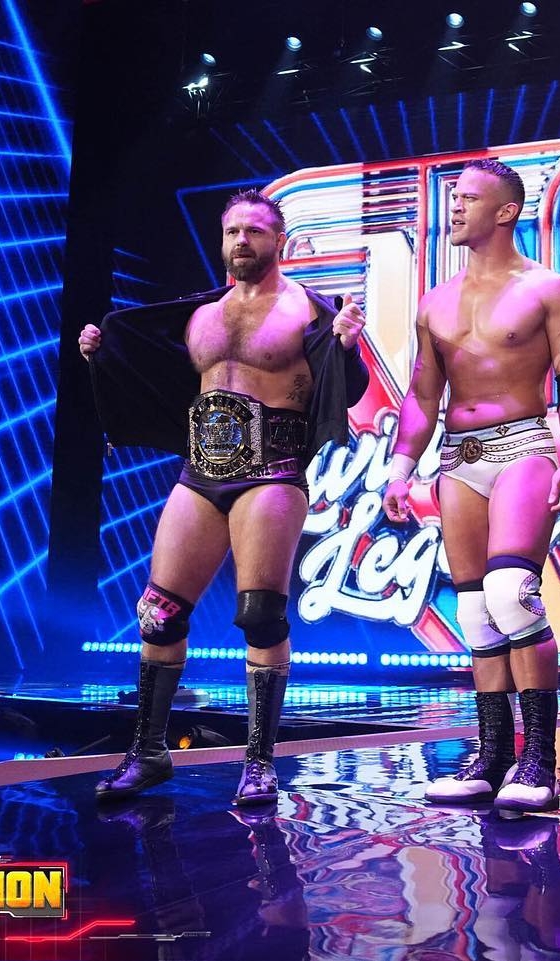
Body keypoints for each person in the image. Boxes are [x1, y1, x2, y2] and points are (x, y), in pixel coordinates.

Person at [79, 188, 367, 807]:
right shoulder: (200, 315)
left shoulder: (309, 311)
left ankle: (258, 762)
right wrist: (105, 354)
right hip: (200, 472)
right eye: (233, 231)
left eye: (255, 231)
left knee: (261, 615)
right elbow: (158, 377)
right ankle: (148, 752)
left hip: (273, 471)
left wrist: (345, 348)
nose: (242, 241)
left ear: (280, 241)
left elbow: (345, 387)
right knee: (158, 614)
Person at [383, 158, 560, 816]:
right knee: (474, 611)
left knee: (511, 593)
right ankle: (493, 753)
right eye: (454, 196)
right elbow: (423, 395)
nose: (454, 207)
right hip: (458, 457)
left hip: (525, 446)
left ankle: (539, 760)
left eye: (469, 198)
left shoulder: (546, 289)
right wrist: (400, 467)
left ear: (506, 211)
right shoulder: (435, 302)